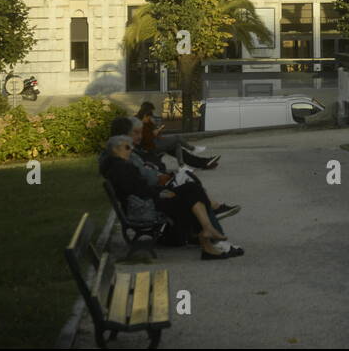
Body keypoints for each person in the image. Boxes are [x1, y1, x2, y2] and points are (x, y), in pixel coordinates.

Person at [101, 136, 244, 260]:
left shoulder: (120, 165)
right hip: (145, 206)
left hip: (147, 201)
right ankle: (208, 238)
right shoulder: (119, 168)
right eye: (127, 147)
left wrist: (164, 190)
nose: (131, 149)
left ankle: (207, 230)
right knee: (191, 194)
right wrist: (163, 192)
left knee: (192, 189)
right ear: (115, 149)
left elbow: (139, 188)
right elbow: (137, 190)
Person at [104, 116, 238, 220]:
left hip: (150, 194)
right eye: (136, 133)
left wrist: (158, 173)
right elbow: (143, 180)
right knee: (191, 187)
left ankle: (211, 219)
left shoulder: (124, 156)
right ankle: (210, 221)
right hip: (147, 201)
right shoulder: (124, 160)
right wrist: (162, 183)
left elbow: (142, 175)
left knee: (188, 179)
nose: (139, 136)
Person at [133, 102, 221, 171]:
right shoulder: (136, 122)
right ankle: (194, 150)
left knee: (177, 145)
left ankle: (195, 164)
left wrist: (157, 131)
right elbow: (143, 139)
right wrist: (153, 134)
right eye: (150, 115)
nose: (151, 117)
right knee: (177, 138)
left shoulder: (148, 121)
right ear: (145, 113)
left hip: (157, 142)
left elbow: (154, 133)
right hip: (150, 146)